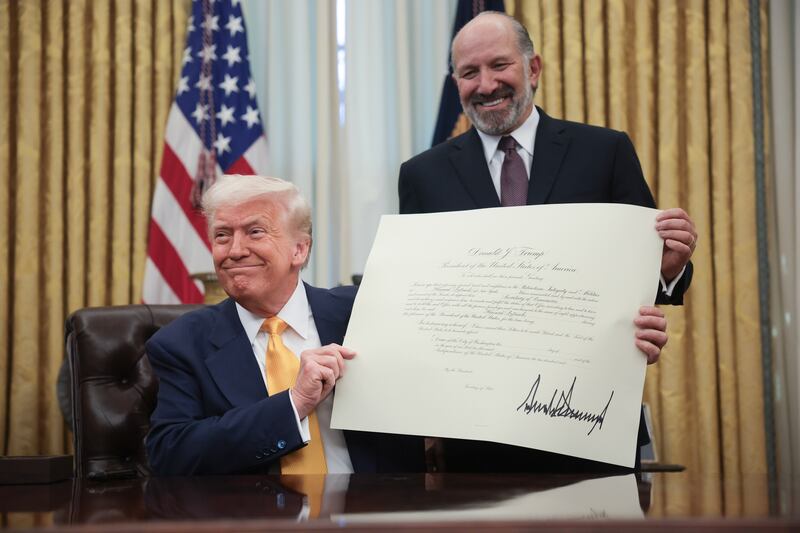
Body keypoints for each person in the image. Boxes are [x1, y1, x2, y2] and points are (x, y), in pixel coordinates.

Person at [398, 12, 691, 471]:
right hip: (475, 438)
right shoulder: (421, 175)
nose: (487, 84)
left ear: (533, 69)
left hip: (591, 423)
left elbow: (643, 278)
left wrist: (667, 268)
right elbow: (418, 298)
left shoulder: (605, 151)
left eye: (500, 66)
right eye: (469, 73)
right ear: (455, 82)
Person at [146, 174, 424, 475]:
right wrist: (294, 403)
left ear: (299, 250)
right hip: (259, 516)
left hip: (375, 510)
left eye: (255, 232)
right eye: (222, 236)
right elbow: (170, 454)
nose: (235, 250)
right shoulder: (182, 343)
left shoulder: (365, 312)